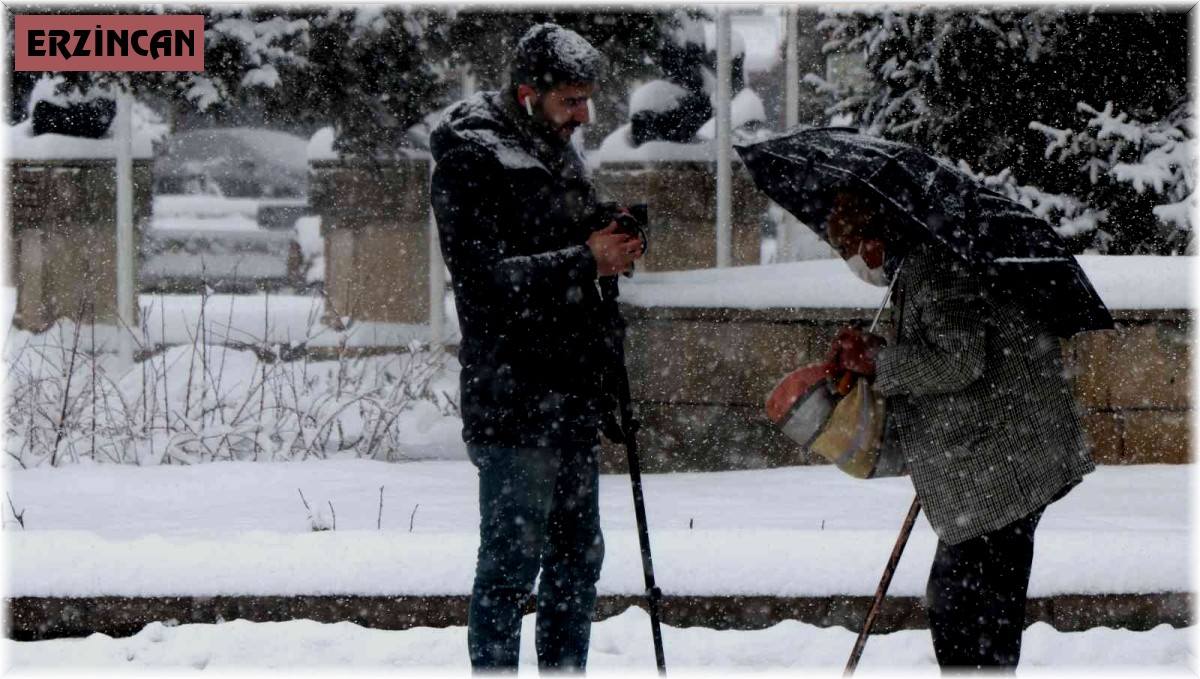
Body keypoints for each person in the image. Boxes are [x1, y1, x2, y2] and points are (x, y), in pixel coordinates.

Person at [428, 23, 644, 672]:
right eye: (571, 101)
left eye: (586, 101)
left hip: (572, 393)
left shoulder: (554, 149)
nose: (584, 116)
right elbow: (484, 283)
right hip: (515, 396)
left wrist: (613, 229)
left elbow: (564, 239)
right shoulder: (473, 159)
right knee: (509, 569)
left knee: (578, 562)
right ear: (528, 94)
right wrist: (585, 260)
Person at [824, 190, 1095, 672]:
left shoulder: (935, 264)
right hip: (994, 461)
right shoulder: (922, 262)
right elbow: (947, 346)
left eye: (848, 250)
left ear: (872, 240)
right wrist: (876, 347)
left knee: (966, 608)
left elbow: (957, 362)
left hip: (1003, 463)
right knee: (968, 606)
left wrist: (881, 360)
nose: (852, 262)